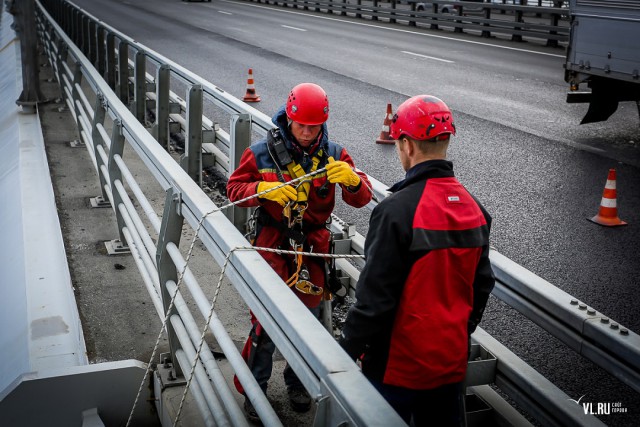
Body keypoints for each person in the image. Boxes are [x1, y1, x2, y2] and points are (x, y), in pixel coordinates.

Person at [339, 95, 495, 427]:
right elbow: (482, 286)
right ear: (446, 140)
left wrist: (345, 352)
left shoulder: (396, 211)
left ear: (408, 146)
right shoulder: (475, 210)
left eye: (398, 145)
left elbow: (373, 300)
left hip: (396, 368)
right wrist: (456, 335)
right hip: (449, 365)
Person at [226, 82, 373, 420]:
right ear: (288, 117)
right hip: (272, 243)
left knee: (308, 321)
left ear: (323, 122)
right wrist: (263, 189)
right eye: (301, 124)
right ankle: (254, 388)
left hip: (312, 248)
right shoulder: (262, 153)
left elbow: (361, 197)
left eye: (314, 126)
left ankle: (297, 382)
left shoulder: (334, 154)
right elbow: (234, 189)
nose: (307, 133)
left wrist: (351, 180)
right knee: (267, 320)